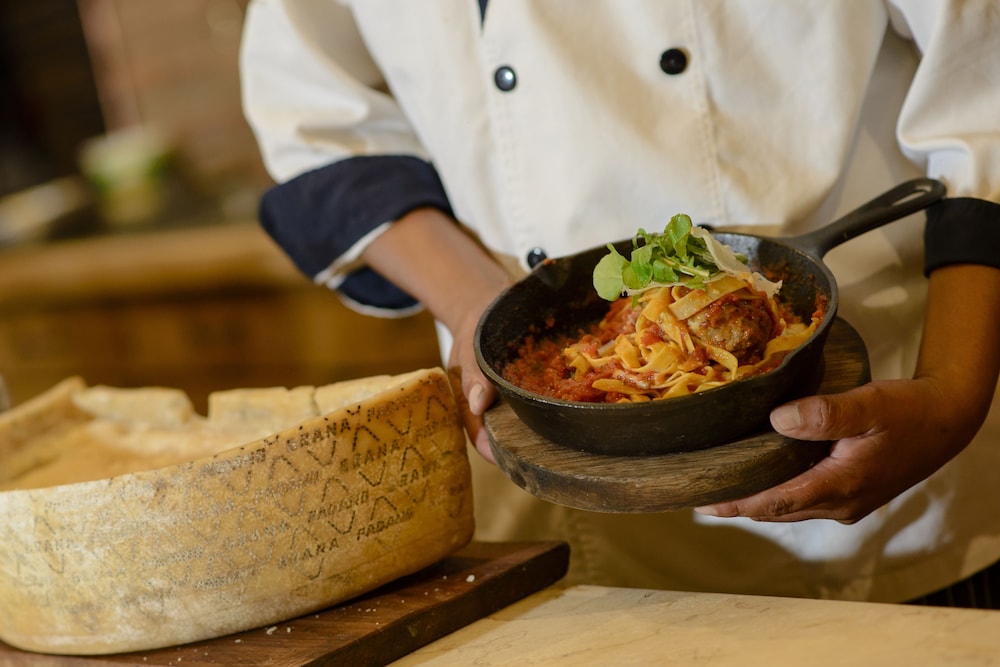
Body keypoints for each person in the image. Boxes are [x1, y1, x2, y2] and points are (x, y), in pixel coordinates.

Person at [239, 1, 1000, 605]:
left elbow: (984, 83)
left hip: (885, 447)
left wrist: (952, 394)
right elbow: (311, 118)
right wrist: (477, 304)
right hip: (551, 497)